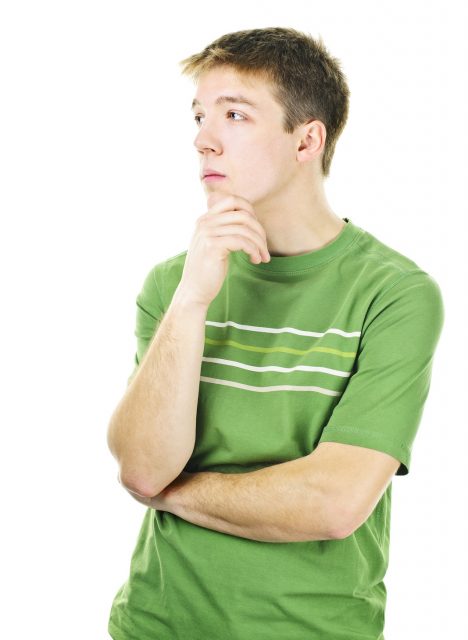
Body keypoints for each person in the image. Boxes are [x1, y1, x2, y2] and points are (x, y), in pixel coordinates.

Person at [107, 26, 444, 640]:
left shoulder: (394, 295)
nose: (204, 140)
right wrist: (192, 301)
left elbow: (333, 502)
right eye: (200, 115)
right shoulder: (175, 285)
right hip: (155, 627)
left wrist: (174, 495)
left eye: (234, 115)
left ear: (306, 139)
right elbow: (141, 466)